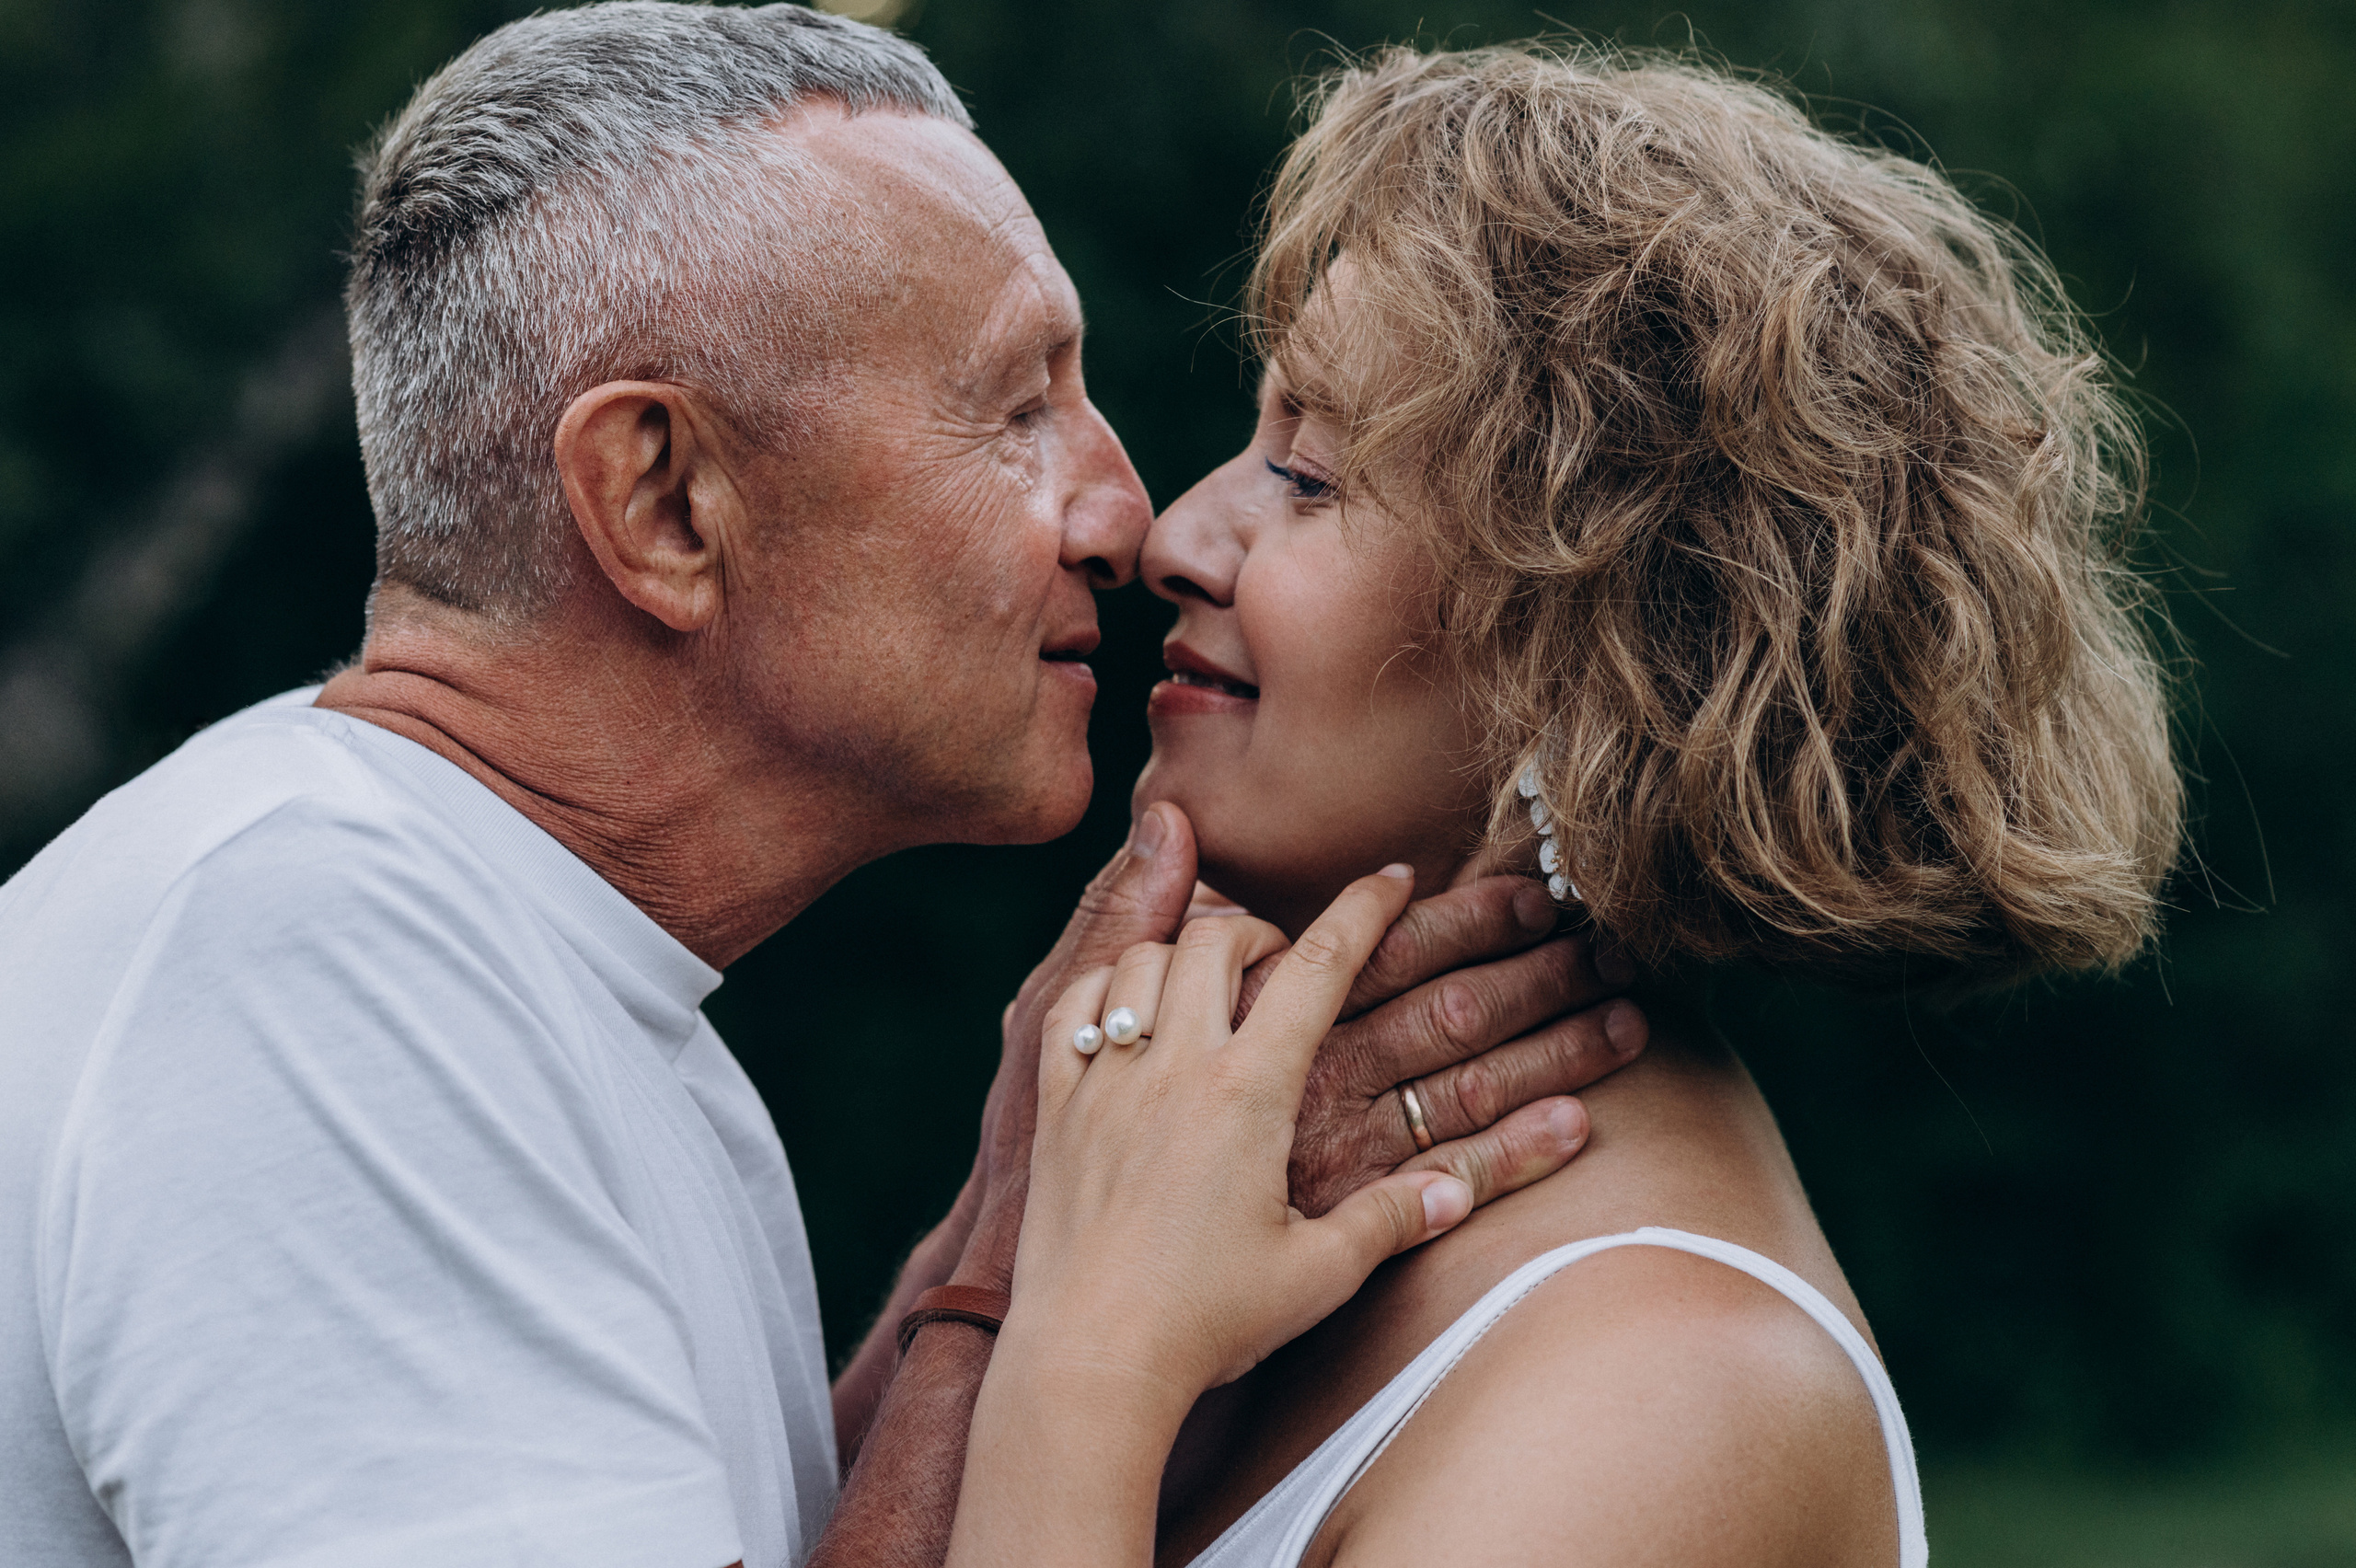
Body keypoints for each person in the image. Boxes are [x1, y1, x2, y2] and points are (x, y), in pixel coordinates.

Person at [0, 10, 1651, 1568]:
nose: (1125, 517)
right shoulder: (320, 963)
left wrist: (1009, 1206)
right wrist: (1036, 1264)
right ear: (663, 502)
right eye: (1018, 408)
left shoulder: (522, 972)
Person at [943, 42, 2182, 1568]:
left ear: (1601, 657)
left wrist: (1085, 1371)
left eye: (1312, 476)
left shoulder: (1671, 1402)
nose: (1177, 538)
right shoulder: (1196, 1173)